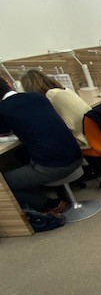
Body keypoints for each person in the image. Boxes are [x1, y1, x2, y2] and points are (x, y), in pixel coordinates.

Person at [0, 80, 83, 214]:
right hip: (76, 155)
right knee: (20, 153)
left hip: (57, 166)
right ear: (9, 84)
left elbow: (3, 130)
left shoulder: (3, 108)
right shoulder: (37, 96)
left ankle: (52, 205)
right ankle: (58, 190)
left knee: (3, 184)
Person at [21, 70, 91, 149]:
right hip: (91, 134)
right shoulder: (65, 90)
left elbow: (41, 123)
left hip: (81, 140)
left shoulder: (50, 96)